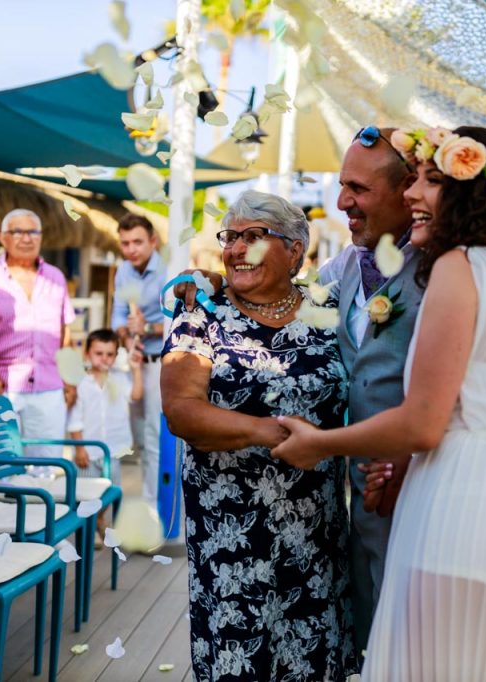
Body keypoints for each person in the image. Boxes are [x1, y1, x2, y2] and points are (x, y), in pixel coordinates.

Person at [273, 126, 486, 679]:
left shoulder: (459, 268)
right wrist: (403, 465)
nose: (414, 194)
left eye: (430, 181)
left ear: (467, 192)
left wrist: (319, 443)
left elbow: (425, 423)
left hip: (464, 517)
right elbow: (484, 406)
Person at [174, 126, 422, 651]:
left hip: (399, 485)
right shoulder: (344, 271)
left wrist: (406, 455)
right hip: (239, 530)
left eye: (357, 189)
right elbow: (183, 408)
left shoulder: (442, 269)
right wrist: (212, 281)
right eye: (231, 237)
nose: (342, 202)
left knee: (410, 634)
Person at [160, 190, 357, 681]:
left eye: (254, 236)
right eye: (230, 237)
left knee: (311, 661)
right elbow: (182, 412)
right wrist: (269, 432)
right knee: (238, 663)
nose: (235, 248)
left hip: (316, 534)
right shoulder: (201, 310)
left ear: (294, 251)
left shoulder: (327, 307)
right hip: (232, 541)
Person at [0, 208, 75, 457]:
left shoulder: (56, 277)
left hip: (49, 387)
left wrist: (69, 378)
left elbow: (65, 330)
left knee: (47, 466)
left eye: (33, 232)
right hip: (3, 388)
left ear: (41, 237)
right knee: (0, 465)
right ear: (2, 238)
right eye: (18, 232)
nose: (27, 238)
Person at [111, 212, 166, 508]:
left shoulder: (169, 269)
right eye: (125, 243)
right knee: (138, 441)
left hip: (160, 364)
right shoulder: (123, 270)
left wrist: (145, 328)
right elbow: (118, 315)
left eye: (137, 242)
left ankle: (155, 509)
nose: (131, 248)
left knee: (156, 439)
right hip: (133, 362)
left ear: (152, 241)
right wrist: (126, 332)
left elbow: (178, 321)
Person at [67, 328, 143, 540]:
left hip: (113, 450)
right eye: (98, 353)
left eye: (109, 354)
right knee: (85, 494)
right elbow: (75, 420)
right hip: (87, 452)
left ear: (116, 356)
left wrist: (136, 370)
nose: (104, 359)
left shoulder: (120, 379)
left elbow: (136, 396)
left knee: (109, 492)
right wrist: (79, 448)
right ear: (87, 355)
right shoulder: (81, 383)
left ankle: (100, 520)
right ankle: (90, 531)